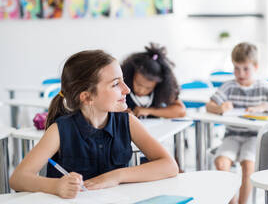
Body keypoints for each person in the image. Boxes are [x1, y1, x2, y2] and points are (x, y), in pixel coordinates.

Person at [10, 50, 178, 199]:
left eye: (123, 81)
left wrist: (116, 176)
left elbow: (169, 165)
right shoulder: (60, 131)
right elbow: (18, 179)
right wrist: (56, 186)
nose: (126, 89)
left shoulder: (128, 121)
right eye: (115, 84)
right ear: (87, 97)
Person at [206, 42, 268, 204]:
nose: (240, 73)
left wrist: (263, 106)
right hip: (232, 135)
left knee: (248, 167)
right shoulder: (229, 86)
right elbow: (209, 105)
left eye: (245, 68)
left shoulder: (264, 87)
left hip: (254, 137)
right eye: (236, 68)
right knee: (221, 163)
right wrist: (220, 108)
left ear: (255, 67)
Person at [121, 43, 186, 118]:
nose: (142, 91)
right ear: (131, 75)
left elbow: (181, 111)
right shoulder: (123, 88)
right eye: (138, 84)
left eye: (148, 88)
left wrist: (148, 111)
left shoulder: (161, 91)